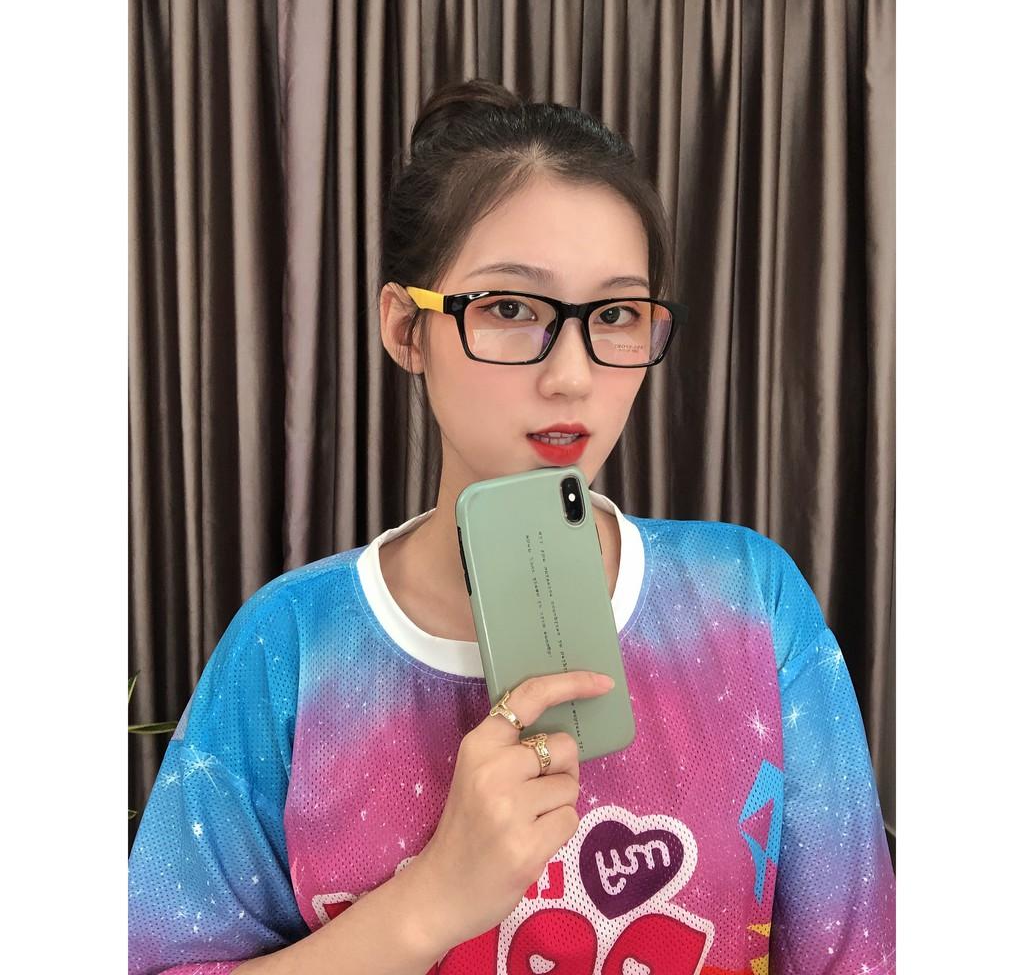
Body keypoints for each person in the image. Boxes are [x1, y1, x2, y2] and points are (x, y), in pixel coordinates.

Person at [128, 78, 896, 975]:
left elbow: (857, 957)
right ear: (406, 329)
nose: (571, 375)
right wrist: (431, 901)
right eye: (509, 309)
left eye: (615, 315)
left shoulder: (746, 601)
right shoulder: (291, 645)